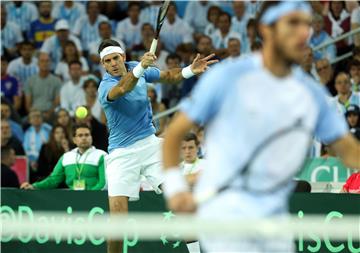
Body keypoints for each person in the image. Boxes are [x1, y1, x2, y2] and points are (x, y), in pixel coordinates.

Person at [162, 2, 360, 253]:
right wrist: (176, 189)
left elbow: (350, 151)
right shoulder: (226, 77)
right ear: (266, 29)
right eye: (292, 24)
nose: (303, 33)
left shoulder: (311, 93)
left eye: (306, 24)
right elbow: (174, 134)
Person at [97, 38, 217, 253]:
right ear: (103, 65)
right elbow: (123, 88)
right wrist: (142, 67)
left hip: (151, 146)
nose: (113, 63)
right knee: (117, 219)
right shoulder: (105, 86)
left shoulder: (136, 68)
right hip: (121, 154)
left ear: (123, 57)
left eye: (116, 58)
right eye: (107, 61)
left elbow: (169, 75)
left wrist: (191, 69)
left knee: (179, 201)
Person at [20, 124, 107, 190]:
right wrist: (34, 186)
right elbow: (53, 180)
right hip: (72, 201)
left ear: (91, 137)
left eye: (87, 135)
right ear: (74, 140)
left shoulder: (101, 155)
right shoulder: (66, 157)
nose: (84, 138)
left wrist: (89, 196)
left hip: (95, 200)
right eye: (80, 135)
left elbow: (104, 183)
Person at [24, 53, 62, 121]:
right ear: (38, 63)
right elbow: (28, 103)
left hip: (50, 114)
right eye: (42, 61)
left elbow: (57, 102)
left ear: (50, 63)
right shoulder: (30, 81)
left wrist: (48, 114)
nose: (45, 63)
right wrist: (34, 114)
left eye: (47, 61)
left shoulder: (57, 81)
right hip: (34, 113)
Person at [23, 108, 52, 180]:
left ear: (42, 119)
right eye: (33, 117)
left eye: (38, 116)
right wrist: (31, 161)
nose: (36, 118)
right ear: (29, 120)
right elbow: (25, 150)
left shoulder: (49, 130)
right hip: (31, 162)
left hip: (46, 161)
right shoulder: (27, 132)